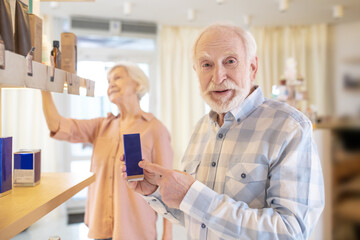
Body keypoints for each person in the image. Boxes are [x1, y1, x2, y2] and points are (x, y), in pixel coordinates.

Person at [121, 23, 325, 240]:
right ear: (196, 72)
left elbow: (290, 232)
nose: (218, 77)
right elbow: (199, 219)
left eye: (230, 62)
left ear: (252, 67)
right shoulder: (201, 128)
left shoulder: (289, 128)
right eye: (206, 64)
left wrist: (194, 196)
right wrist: (156, 193)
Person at [41, 61, 173, 240]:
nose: (110, 84)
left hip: (136, 231)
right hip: (101, 228)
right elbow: (57, 125)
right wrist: (44, 88)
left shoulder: (156, 130)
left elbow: (167, 187)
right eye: (108, 80)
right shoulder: (101, 126)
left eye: (117, 77)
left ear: (137, 83)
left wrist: (168, 235)